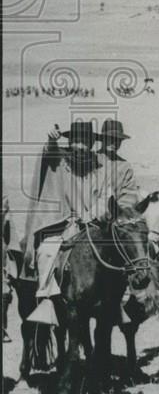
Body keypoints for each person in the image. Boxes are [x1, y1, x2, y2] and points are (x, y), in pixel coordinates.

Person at [19, 121, 118, 324]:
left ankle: (118, 299)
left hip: (90, 225)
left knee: (118, 250)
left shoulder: (100, 167)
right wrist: (51, 139)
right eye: (76, 142)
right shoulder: (59, 160)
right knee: (47, 252)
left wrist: (91, 216)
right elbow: (49, 151)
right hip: (59, 226)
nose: (80, 147)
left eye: (85, 142)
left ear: (91, 144)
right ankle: (46, 297)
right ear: (70, 142)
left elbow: (105, 197)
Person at [95, 118, 140, 214]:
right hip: (89, 214)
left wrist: (119, 209)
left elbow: (130, 193)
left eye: (118, 140)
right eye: (110, 138)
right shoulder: (90, 159)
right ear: (103, 139)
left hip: (114, 215)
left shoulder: (125, 166)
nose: (114, 143)